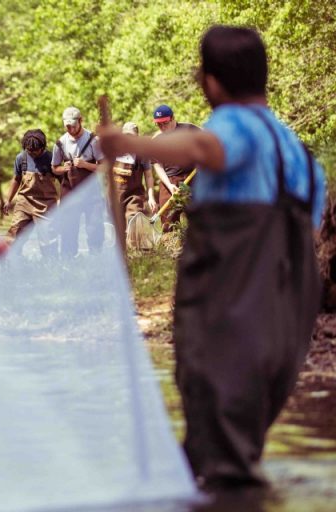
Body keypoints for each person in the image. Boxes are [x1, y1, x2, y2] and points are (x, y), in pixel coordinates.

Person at [99, 25, 326, 491]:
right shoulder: (295, 149)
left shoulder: (233, 125)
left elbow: (206, 147)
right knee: (236, 434)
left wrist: (128, 145)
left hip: (230, 302)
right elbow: (315, 234)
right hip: (288, 311)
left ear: (214, 81)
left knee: (215, 415)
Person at [51, 106, 105, 256]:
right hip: (69, 191)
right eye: (67, 126)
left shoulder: (94, 141)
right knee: (68, 227)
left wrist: (85, 165)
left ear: (81, 121)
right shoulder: (60, 143)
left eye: (73, 125)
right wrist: (63, 168)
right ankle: (68, 259)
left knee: (94, 227)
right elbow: (54, 168)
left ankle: (96, 257)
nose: (70, 129)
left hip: (91, 192)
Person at [5, 129, 59, 253]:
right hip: (24, 202)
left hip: (46, 204)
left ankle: (50, 264)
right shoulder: (21, 158)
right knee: (14, 232)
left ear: (43, 147)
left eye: (36, 151)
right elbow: (16, 180)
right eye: (29, 151)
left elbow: (62, 180)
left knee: (48, 237)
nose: (32, 153)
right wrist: (8, 200)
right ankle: (11, 262)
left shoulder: (51, 158)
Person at [151, 105, 201, 231]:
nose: (162, 127)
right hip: (170, 180)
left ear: (173, 118)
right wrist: (169, 185)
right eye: (158, 124)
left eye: (165, 123)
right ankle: (169, 245)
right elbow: (157, 165)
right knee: (168, 221)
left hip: (193, 177)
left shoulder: (189, 129)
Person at [112, 122, 156, 223]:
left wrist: (151, 197)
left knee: (133, 221)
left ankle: (133, 239)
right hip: (115, 196)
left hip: (134, 196)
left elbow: (149, 176)